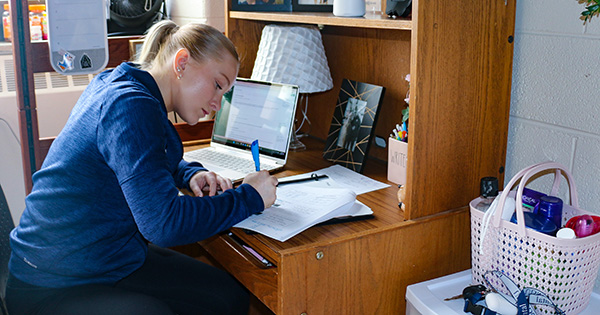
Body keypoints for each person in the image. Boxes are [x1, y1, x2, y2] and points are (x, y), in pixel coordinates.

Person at [6, 20, 278, 315]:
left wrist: (190, 174)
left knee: (227, 295)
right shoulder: (130, 105)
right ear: (182, 62)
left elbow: (143, 155)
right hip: (51, 283)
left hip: (106, 260)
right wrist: (249, 196)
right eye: (217, 85)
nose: (217, 103)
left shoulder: (126, 84)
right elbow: (164, 224)